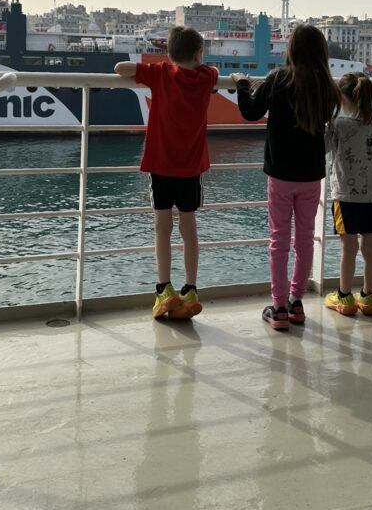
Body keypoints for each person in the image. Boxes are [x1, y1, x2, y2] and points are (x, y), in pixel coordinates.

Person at [232, 25, 340, 331]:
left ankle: (278, 307)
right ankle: (296, 302)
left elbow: (250, 112)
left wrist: (242, 85)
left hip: (280, 174)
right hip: (311, 176)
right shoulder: (325, 86)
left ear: (291, 49)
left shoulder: (278, 79)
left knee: (279, 241)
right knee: (305, 240)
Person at [115, 27, 219, 320]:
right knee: (189, 228)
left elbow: (120, 68)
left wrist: (161, 65)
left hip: (160, 164)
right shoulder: (207, 77)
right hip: (191, 168)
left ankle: (164, 289)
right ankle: (191, 289)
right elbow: (213, 71)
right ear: (198, 54)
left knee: (162, 228)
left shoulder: (160, 73)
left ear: (170, 54)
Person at [324, 72, 372, 317]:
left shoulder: (339, 126)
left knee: (349, 248)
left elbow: (323, 148)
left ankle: (344, 297)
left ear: (342, 99)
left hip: (346, 196)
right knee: (370, 247)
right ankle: (368, 297)